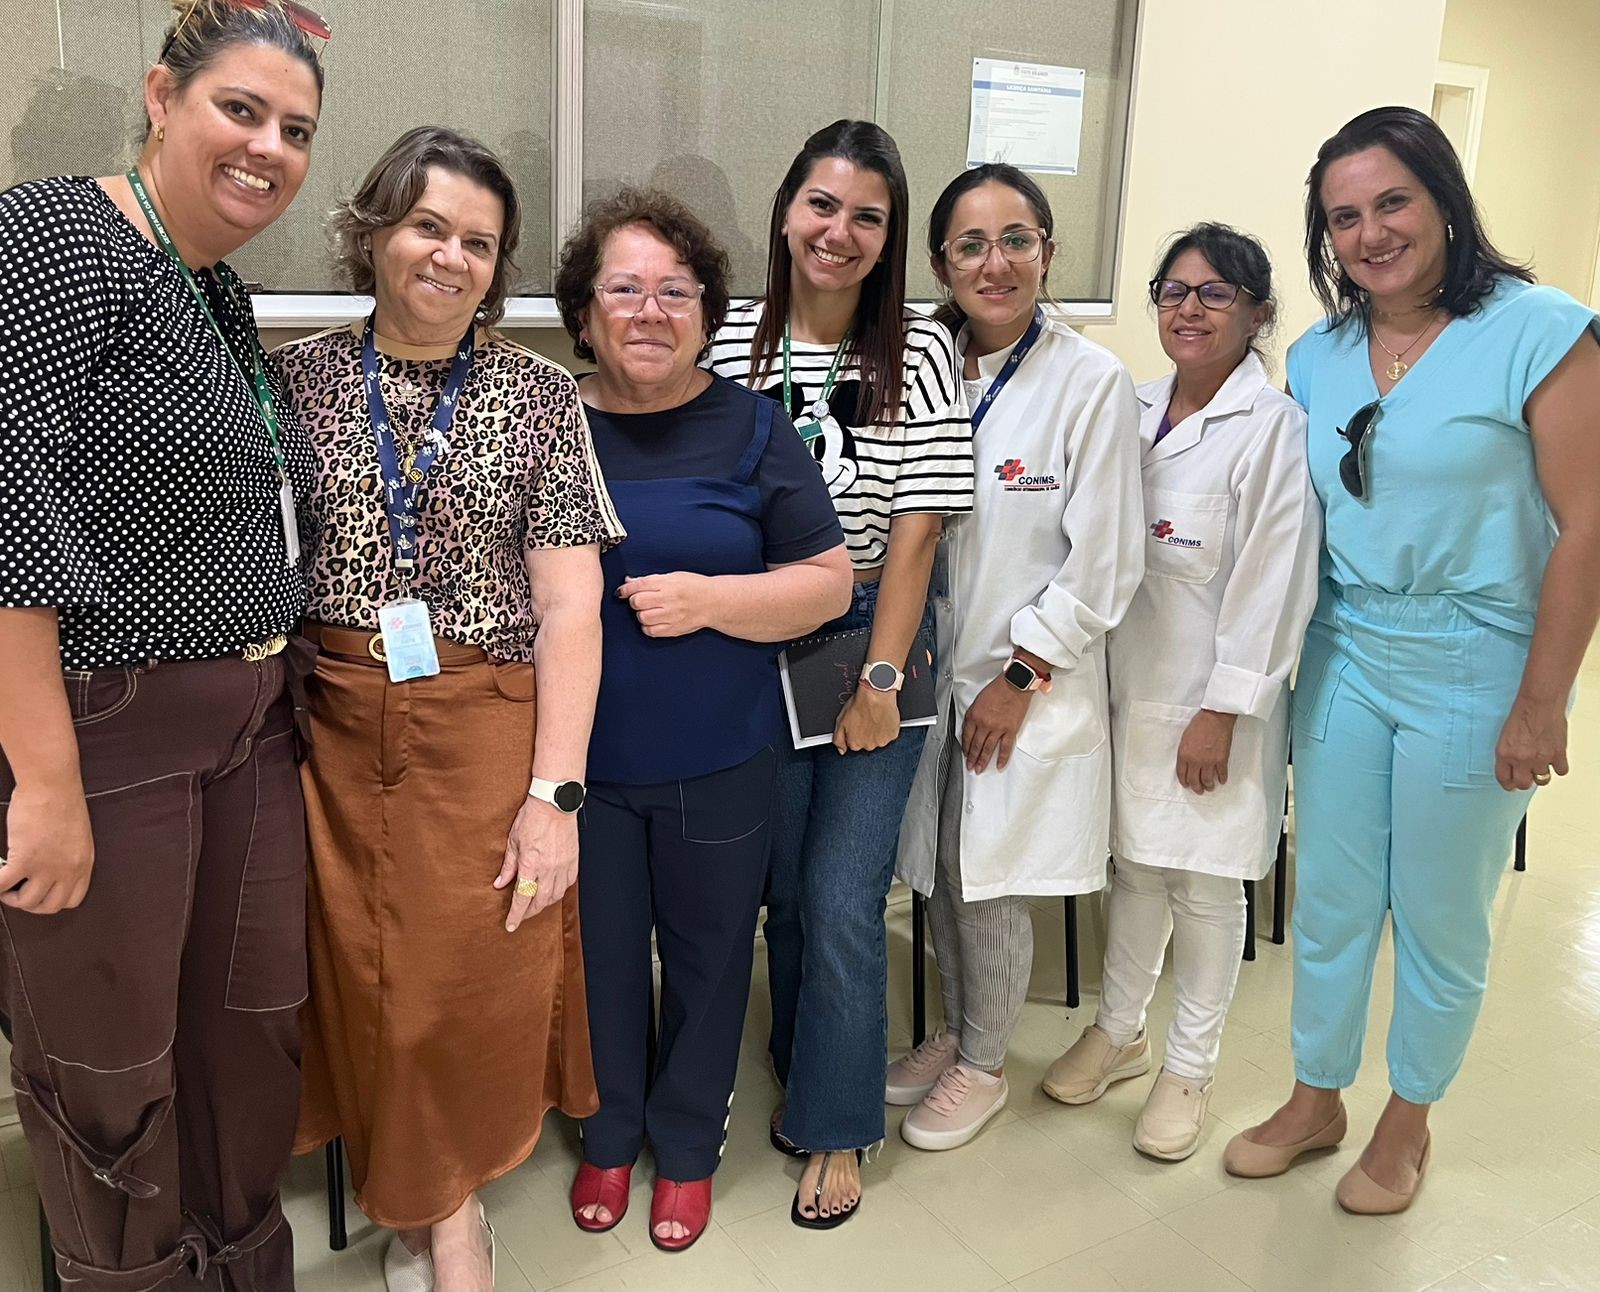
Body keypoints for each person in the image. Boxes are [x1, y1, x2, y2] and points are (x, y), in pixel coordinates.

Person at [0, 2, 326, 1287]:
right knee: (112, 1061)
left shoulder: (218, 292)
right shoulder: (57, 234)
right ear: (159, 95)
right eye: (240, 110)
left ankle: (242, 1266)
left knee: (248, 1034)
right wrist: (45, 784)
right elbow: (9, 506)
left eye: (295, 129)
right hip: (104, 728)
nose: (268, 148)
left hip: (254, 721)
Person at [1225, 106, 1600, 1214]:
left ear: (1444, 200)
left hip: (1476, 657)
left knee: (1438, 912)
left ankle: (1407, 1119)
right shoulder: (1318, 355)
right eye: (1344, 217)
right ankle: (1316, 1097)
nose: (1370, 233)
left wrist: (1542, 702)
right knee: (1332, 899)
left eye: (1392, 202)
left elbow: (1588, 524)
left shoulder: (1541, 331)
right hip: (1343, 648)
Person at [274, 126, 621, 1291]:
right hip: (327, 724)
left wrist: (554, 796)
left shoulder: (539, 396)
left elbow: (571, 607)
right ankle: (415, 1190)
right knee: (354, 973)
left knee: (460, 984)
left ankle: (446, 1202)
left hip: (483, 723)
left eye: (478, 241)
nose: (449, 256)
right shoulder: (297, 381)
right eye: (427, 226)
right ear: (372, 232)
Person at [555, 187, 851, 1252]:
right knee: (596, 960)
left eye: (675, 291)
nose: (650, 310)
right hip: (579, 767)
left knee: (711, 958)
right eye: (624, 289)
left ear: (706, 313)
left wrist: (710, 600)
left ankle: (685, 1147)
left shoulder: (753, 426)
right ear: (584, 312)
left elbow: (827, 584)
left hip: (721, 759)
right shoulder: (548, 421)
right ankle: (606, 1131)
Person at [705, 119, 974, 1226]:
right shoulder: (726, 339)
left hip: (872, 629)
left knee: (843, 892)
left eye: (868, 216)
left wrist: (880, 678)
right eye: (821, 204)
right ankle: (804, 1057)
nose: (839, 231)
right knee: (780, 888)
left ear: (889, 236)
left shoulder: (919, 350)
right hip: (751, 630)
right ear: (784, 212)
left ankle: (839, 1120)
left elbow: (917, 534)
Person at [1041, 224, 1320, 1162]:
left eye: (1215, 293)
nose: (1188, 309)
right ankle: (1119, 1032)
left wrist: (1223, 711)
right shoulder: (1130, 407)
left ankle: (1190, 1067)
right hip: (1126, 693)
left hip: (1212, 707)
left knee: (1203, 884)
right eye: (1173, 290)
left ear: (1258, 313)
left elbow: (1274, 585)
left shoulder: (1271, 429)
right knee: (1135, 870)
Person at [890, 163, 1145, 1151]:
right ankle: (962, 1032)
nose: (994, 263)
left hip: (1017, 679)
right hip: (927, 668)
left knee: (988, 875)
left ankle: (986, 1065)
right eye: (970, 244)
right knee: (943, 869)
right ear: (941, 264)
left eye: (1016, 240)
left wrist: (1023, 674)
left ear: (1047, 250)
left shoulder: (1089, 382)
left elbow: (1106, 559)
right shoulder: (921, 363)